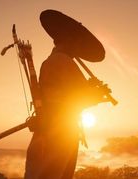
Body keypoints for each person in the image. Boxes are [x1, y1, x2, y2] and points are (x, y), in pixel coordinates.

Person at [24, 10, 107, 179]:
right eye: (77, 43)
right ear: (70, 41)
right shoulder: (63, 61)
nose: (78, 48)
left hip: (54, 128)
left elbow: (67, 93)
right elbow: (78, 98)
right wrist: (97, 94)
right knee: (53, 174)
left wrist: (91, 91)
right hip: (59, 130)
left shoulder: (53, 60)